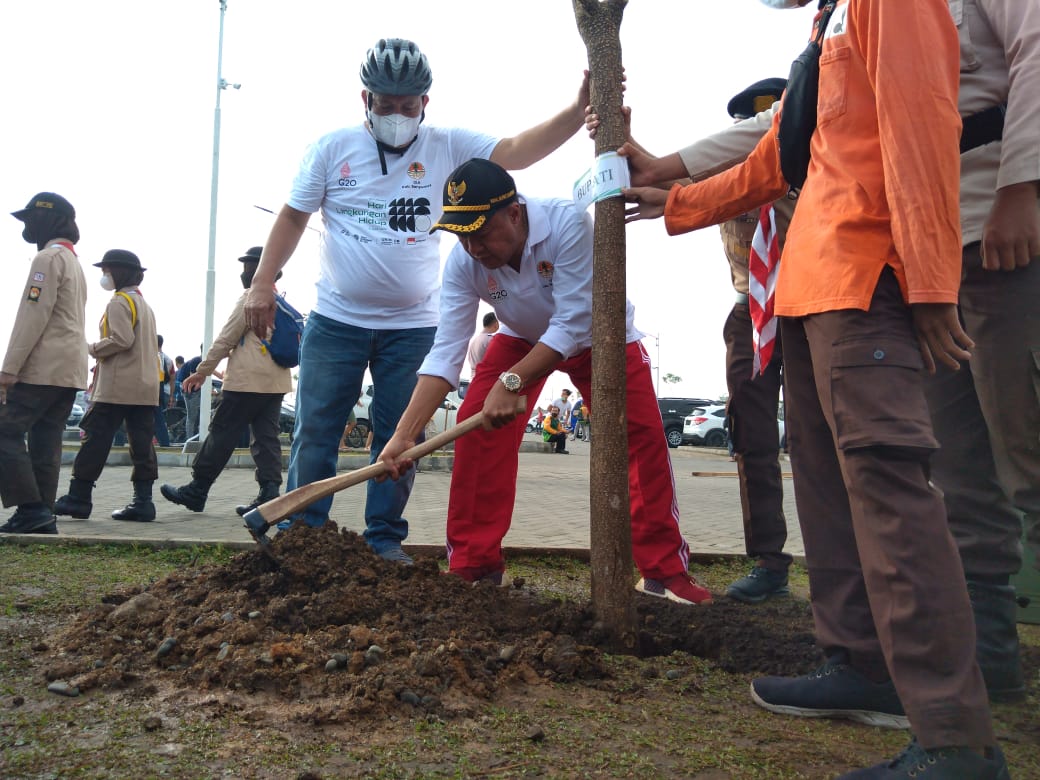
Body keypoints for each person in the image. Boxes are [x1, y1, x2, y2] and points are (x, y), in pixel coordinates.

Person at [622, 1, 1006, 776]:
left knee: (890, 496)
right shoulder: (828, 20)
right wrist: (679, 195)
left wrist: (932, 286)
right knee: (828, 494)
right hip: (810, 287)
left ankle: (956, 739)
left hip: (868, 282)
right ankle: (861, 666)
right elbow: (786, 154)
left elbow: (923, 126)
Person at [243, 38, 590, 564]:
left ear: (425, 102)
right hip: (337, 319)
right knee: (316, 428)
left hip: (413, 325)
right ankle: (303, 535)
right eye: (386, 104)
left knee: (398, 431)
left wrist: (578, 108)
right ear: (366, 99)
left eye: (409, 105)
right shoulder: (331, 150)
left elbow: (518, 150)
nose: (398, 115)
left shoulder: (448, 145)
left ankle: (384, 537)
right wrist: (263, 283)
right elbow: (293, 217)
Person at [380, 158, 711, 605]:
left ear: (515, 213)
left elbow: (573, 323)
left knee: (643, 439)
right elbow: (445, 353)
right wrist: (404, 435)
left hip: (601, 334)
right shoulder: (464, 262)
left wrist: (513, 382)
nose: (473, 248)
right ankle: (475, 566)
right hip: (520, 338)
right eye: (462, 235)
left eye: (480, 232)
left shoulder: (567, 223)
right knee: (475, 429)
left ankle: (664, 573)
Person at [919, 0, 1040, 705]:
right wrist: (680, 168)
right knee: (961, 470)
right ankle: (993, 657)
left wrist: (1023, 186)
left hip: (1007, 234)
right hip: (934, 255)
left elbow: (1034, 53)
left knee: (1028, 458)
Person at [160, 246, 293, 516]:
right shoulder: (283, 301)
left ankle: (197, 490)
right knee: (266, 438)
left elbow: (227, 337)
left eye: (247, 268)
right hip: (275, 383)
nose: (243, 274)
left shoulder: (250, 298)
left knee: (221, 434)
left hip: (246, 381)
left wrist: (203, 370)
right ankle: (270, 495)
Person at [0, 192, 87, 535]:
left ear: (48, 220)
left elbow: (32, 315)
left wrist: (9, 368)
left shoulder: (47, 259)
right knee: (45, 439)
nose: (27, 226)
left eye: (31, 219)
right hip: (69, 370)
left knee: (4, 431)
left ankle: (31, 507)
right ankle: (42, 514)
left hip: (43, 366)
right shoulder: (73, 261)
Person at [55, 250, 159, 523]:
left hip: (117, 386)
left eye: (107, 270)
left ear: (119, 272)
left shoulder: (119, 302)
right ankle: (143, 501)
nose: (104, 276)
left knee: (95, 439)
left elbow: (121, 339)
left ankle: (79, 497)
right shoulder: (143, 304)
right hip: (145, 387)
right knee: (142, 445)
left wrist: (92, 348)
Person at [153, 334, 175, 448]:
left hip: (154, 389)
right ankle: (162, 441)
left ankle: (163, 442)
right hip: (165, 391)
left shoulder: (152, 356)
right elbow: (173, 379)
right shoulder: (169, 359)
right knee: (159, 416)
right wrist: (171, 396)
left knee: (155, 417)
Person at [177, 349, 203, 442]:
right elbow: (193, 380)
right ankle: (189, 440)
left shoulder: (203, 362)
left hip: (190, 389)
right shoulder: (197, 360)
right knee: (191, 417)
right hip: (189, 391)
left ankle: (192, 437)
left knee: (194, 416)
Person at [466, 311, 499, 377]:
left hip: (473, 379)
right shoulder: (491, 340)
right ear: (496, 324)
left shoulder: (474, 340)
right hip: (485, 378)